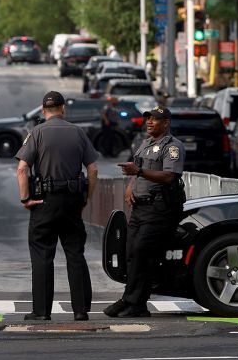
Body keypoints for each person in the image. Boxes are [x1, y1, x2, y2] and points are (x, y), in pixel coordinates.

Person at [16, 90, 99, 322]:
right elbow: (93, 170)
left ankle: (42, 312)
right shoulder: (78, 132)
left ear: (43, 110)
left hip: (44, 202)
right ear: (63, 109)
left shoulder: (37, 133)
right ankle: (81, 310)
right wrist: (86, 198)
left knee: (43, 255)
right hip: (72, 201)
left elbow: (22, 169)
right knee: (75, 254)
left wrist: (26, 199)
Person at [104, 105, 186, 318]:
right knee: (131, 253)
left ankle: (132, 302)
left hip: (159, 208)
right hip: (140, 208)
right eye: (148, 119)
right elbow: (138, 170)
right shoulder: (145, 144)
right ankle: (134, 303)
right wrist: (132, 183)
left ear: (166, 123)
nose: (149, 122)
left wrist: (138, 171)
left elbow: (169, 176)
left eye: (155, 119)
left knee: (142, 252)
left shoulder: (173, 147)